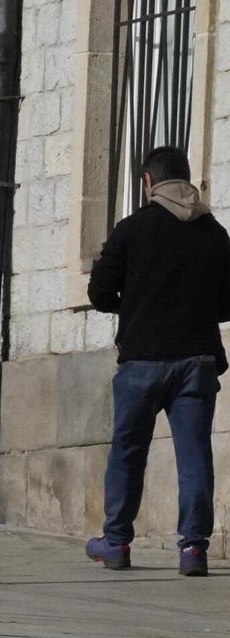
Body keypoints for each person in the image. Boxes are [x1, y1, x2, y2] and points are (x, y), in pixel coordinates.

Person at [86, 144, 230, 576]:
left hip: (142, 361)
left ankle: (116, 543)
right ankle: (193, 549)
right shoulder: (216, 233)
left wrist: (132, 305)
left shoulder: (131, 230)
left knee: (128, 451)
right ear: (186, 181)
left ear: (148, 182)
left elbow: (98, 293)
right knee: (194, 454)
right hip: (197, 360)